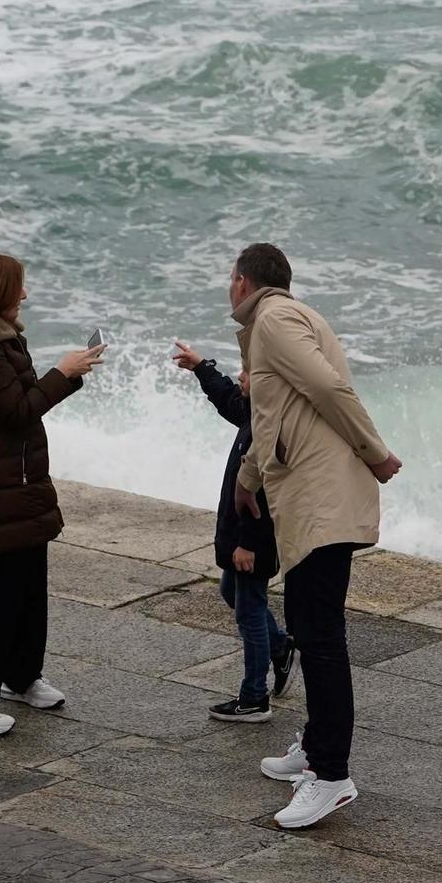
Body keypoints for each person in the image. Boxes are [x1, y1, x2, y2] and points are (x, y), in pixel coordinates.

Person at [228, 245, 401, 829]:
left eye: (230, 278)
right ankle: (315, 744)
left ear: (243, 280)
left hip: (324, 498)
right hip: (308, 497)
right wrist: (249, 478)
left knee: (321, 637)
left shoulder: (273, 320)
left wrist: (374, 453)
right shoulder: (279, 321)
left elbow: (328, 390)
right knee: (306, 624)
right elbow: (275, 418)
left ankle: (331, 776)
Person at [0, 255, 104, 737]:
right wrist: (64, 371)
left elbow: (23, 400)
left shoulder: (0, 337)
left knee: (27, 586)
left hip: (20, 482)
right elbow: (17, 410)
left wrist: (67, 375)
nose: (24, 296)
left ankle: (20, 676)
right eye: (18, 289)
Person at [170, 341, 294, 722]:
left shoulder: (269, 428)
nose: (241, 376)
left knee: (249, 612)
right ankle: (281, 646)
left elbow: (261, 498)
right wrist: (200, 367)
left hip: (252, 541)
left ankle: (254, 698)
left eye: (247, 373)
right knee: (230, 591)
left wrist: (247, 545)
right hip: (241, 538)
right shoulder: (255, 413)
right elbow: (227, 399)